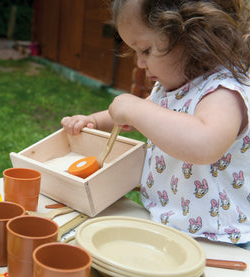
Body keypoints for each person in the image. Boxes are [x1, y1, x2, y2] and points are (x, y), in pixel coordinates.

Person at [62, 0, 250, 246]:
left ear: (191, 35)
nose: (139, 63)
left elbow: (205, 144)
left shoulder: (223, 92)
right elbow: (148, 112)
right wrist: (94, 121)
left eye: (146, 50)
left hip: (220, 238)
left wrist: (135, 108)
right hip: (168, 223)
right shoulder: (171, 87)